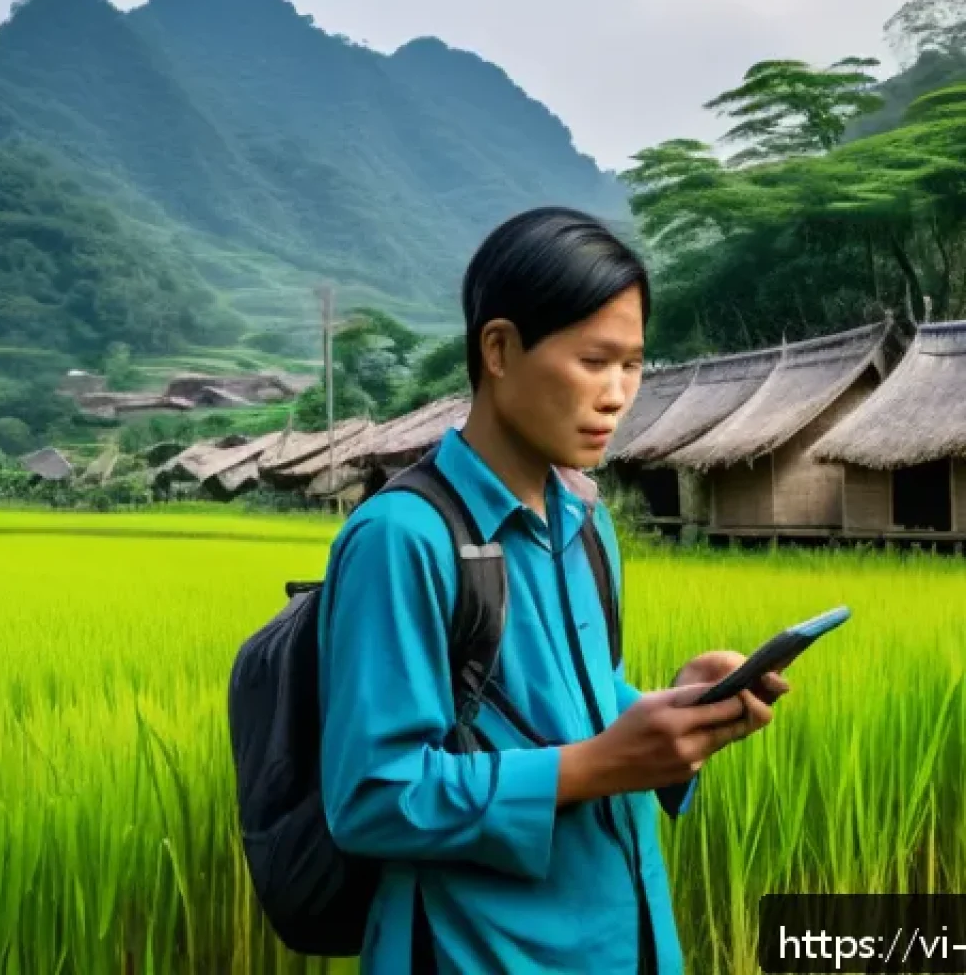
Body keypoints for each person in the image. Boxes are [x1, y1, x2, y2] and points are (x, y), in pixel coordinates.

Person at [315, 207, 790, 974]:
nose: (617, 395)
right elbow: (373, 796)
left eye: (633, 365)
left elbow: (570, 708)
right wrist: (602, 764)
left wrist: (667, 711)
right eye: (593, 361)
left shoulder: (587, 524)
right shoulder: (403, 538)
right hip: (480, 952)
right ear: (498, 349)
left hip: (625, 938)